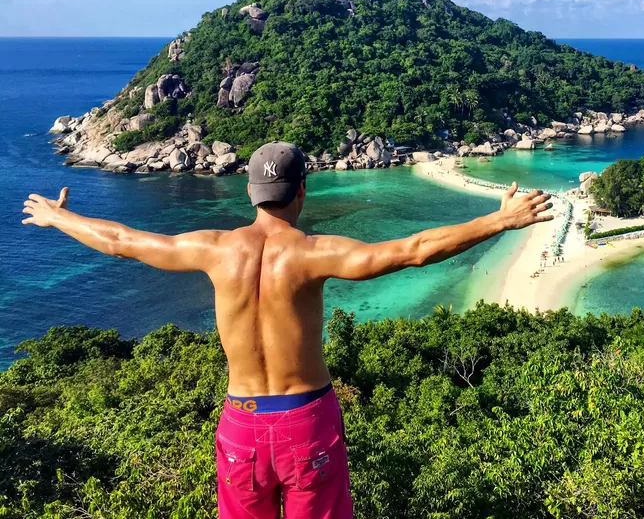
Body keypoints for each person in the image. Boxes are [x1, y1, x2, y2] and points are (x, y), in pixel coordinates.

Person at [21, 141, 553, 519]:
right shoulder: (313, 254)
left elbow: (121, 239)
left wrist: (58, 218)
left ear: (250, 193)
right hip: (307, 422)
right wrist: (499, 220)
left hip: (241, 425)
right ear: (302, 189)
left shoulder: (213, 249)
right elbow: (413, 251)